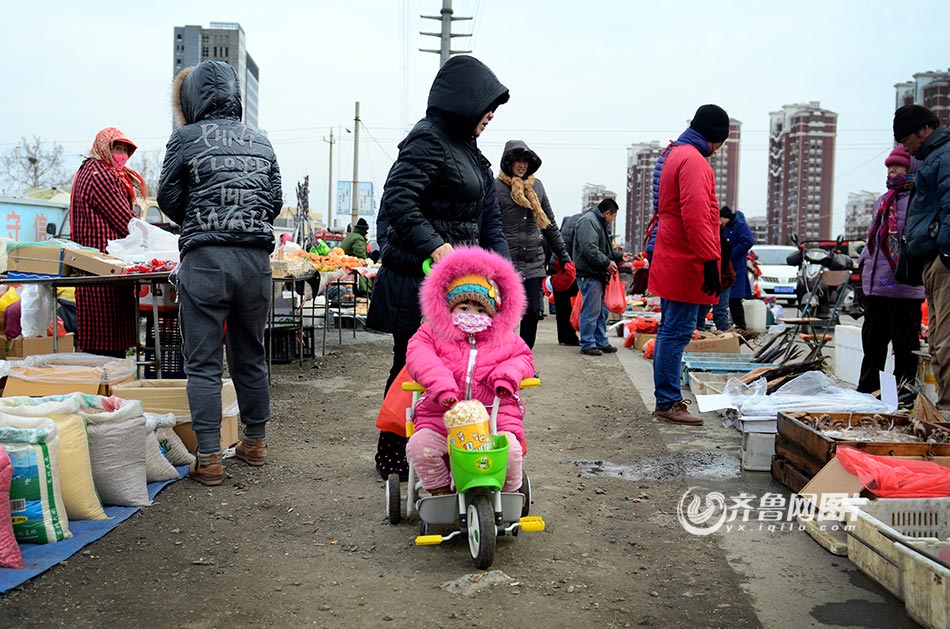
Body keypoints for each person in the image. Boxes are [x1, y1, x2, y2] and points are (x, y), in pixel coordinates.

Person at [366, 55, 510, 479]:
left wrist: (500, 271)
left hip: (460, 286)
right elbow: (399, 201)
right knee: (411, 369)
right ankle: (393, 456)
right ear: (465, 100)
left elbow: (490, 221)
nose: (490, 116)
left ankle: (445, 452)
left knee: (456, 371)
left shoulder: (469, 150)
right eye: (487, 106)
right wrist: (437, 246)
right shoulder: (427, 139)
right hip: (416, 278)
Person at [158, 60, 283, 485]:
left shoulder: (184, 138)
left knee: (205, 363)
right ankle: (256, 441)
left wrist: (200, 216)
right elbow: (275, 200)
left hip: (206, 260)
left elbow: (168, 198)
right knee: (250, 353)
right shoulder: (262, 142)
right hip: (254, 263)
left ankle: (209, 456)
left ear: (192, 99)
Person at [405, 246, 534, 494]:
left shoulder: (506, 338)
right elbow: (419, 356)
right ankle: (441, 492)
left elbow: (524, 358)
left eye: (480, 309)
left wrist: (506, 376)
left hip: (494, 421)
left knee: (511, 453)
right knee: (420, 447)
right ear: (449, 307)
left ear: (493, 312)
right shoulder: (431, 333)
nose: (471, 314)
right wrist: (441, 386)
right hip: (440, 418)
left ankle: (508, 496)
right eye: (463, 308)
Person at [648, 104, 731, 426]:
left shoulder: (676, 153)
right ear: (714, 138)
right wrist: (710, 259)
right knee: (676, 331)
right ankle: (668, 400)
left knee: (671, 328)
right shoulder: (694, 161)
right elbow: (698, 216)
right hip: (685, 255)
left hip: (674, 250)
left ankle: (666, 398)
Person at [69, 128, 147, 358]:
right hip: (103, 266)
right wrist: (149, 238)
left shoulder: (90, 170)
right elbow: (125, 219)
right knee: (106, 343)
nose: (122, 155)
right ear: (104, 148)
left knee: (101, 341)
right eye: (117, 149)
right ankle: (106, 389)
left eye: (125, 150)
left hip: (96, 265)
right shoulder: (100, 175)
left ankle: (105, 388)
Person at [856, 146, 925, 394]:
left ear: (913, 167)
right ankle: (867, 393)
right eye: (889, 166)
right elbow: (873, 238)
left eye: (898, 165)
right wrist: (864, 260)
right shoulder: (883, 200)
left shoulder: (921, 199)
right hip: (878, 286)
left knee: (905, 348)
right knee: (872, 346)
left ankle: (902, 395)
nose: (892, 169)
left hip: (904, 288)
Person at [896, 104, 950, 408]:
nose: (905, 147)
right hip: (935, 261)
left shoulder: (944, 156)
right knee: (939, 340)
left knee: (945, 340)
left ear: (924, 130)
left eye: (906, 139)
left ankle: (947, 413)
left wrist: (946, 253)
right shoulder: (934, 158)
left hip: (944, 262)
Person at [495, 140, 570, 348]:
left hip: (534, 263)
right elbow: (487, 226)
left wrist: (563, 255)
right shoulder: (496, 188)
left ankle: (524, 359)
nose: (521, 165)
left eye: (525, 161)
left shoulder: (537, 186)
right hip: (506, 263)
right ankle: (501, 360)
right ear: (508, 162)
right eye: (517, 160)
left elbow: (549, 224)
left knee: (531, 314)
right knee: (504, 316)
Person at [573, 198, 628, 356]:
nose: (612, 220)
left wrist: (618, 256)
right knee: (591, 311)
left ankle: (599, 341)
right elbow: (589, 248)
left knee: (601, 311)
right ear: (607, 213)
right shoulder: (589, 222)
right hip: (590, 274)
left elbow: (602, 249)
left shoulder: (597, 222)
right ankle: (588, 343)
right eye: (613, 216)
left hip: (597, 274)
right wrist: (606, 262)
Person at [719, 206, 755, 333]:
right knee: (724, 301)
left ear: (725, 218)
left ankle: (741, 327)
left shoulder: (740, 226)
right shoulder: (724, 227)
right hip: (724, 268)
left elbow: (748, 241)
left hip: (736, 268)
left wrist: (731, 254)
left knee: (734, 299)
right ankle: (732, 325)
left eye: (721, 219)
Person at [696, 223, 735, 332]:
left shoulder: (720, 243)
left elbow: (723, 262)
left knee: (718, 311)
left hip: (722, 279)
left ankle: (724, 338)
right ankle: (701, 335)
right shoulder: (714, 240)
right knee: (703, 311)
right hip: (711, 279)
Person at [552, 212, 582, 346]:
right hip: (567, 267)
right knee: (567, 303)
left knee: (562, 304)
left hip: (558, 266)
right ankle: (569, 337)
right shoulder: (583, 222)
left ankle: (564, 337)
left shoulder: (570, 221)